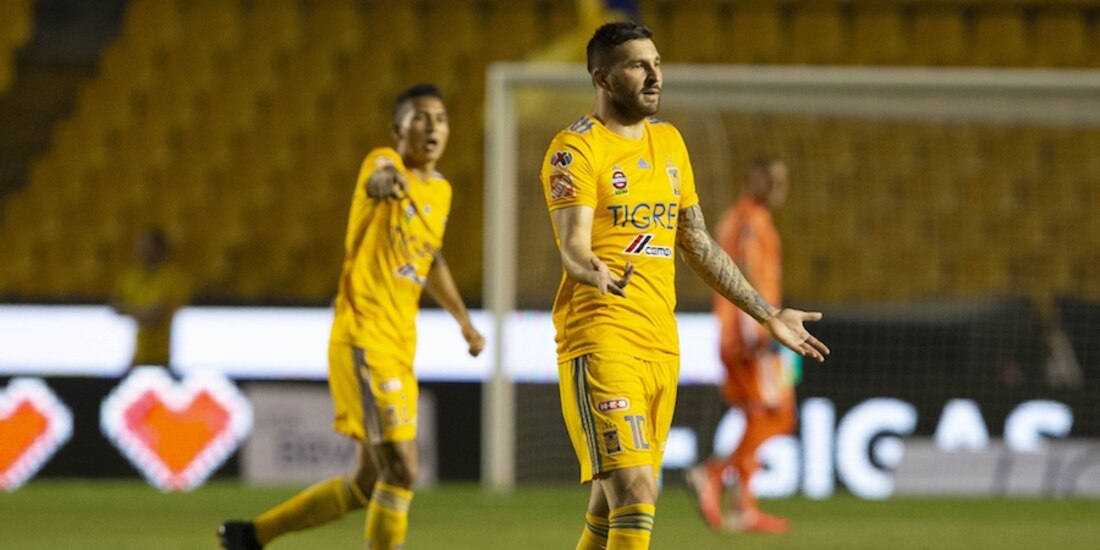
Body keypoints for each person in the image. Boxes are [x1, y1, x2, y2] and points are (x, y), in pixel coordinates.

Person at [539, 22, 828, 550]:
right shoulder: (574, 149)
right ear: (602, 77)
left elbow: (696, 242)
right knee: (637, 492)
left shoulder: (670, 143)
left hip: (661, 349)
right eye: (637, 65)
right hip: (601, 339)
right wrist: (591, 268)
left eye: (657, 63)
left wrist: (767, 314)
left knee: (606, 511)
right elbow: (574, 245)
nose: (654, 76)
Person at [219, 83, 485, 550]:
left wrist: (463, 321)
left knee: (368, 481)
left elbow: (430, 259)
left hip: (399, 345)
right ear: (397, 128)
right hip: (363, 336)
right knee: (402, 469)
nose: (432, 127)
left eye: (441, 119)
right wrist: (388, 183)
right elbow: (379, 179)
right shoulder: (382, 161)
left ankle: (252, 536)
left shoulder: (441, 191)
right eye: (420, 118)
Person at [684, 156, 798, 534]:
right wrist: (761, 329)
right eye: (772, 179)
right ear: (754, 179)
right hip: (753, 334)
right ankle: (713, 473)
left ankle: (744, 507)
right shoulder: (751, 221)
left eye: (782, 180)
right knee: (778, 415)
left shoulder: (734, 218)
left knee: (754, 416)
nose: (779, 188)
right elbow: (746, 270)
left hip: (733, 333)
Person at [111, 227, 192, 370]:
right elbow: (115, 304)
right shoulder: (130, 277)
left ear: (160, 249)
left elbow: (156, 315)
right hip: (136, 356)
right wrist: (141, 312)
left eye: (147, 246)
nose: (141, 250)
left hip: (162, 357)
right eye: (140, 246)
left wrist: (130, 310)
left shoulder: (173, 279)